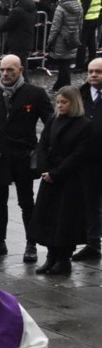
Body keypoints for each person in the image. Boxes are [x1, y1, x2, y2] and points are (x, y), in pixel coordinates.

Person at [0, 54, 52, 263]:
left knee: (26, 200)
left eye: (10, 70)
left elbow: (50, 125)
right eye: (2, 69)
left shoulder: (35, 94)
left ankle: (31, 242)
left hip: (23, 155)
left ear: (20, 70)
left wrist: (39, 150)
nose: (5, 73)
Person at [31, 86, 91, 275]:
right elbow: (43, 143)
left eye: (64, 102)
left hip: (68, 180)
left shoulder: (83, 124)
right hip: (50, 176)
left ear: (73, 103)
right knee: (48, 217)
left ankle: (63, 258)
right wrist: (44, 169)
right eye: (58, 102)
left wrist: (56, 173)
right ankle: (51, 256)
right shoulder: (53, 119)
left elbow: (79, 154)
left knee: (65, 220)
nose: (60, 106)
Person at [75, 57, 102, 261]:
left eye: (98, 72)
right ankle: (93, 242)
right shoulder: (81, 94)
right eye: (91, 71)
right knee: (90, 201)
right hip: (87, 159)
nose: (93, 75)